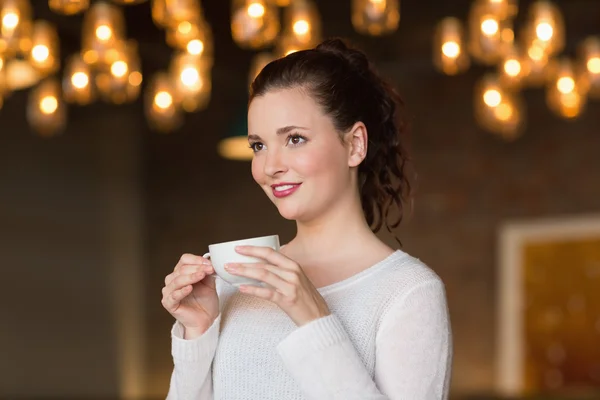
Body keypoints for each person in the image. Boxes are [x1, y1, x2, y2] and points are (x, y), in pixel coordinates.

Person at [161, 38, 452, 400]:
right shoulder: (233, 285)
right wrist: (197, 332)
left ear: (355, 144)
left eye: (295, 139)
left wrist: (313, 318)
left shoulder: (408, 293)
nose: (270, 167)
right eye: (259, 146)